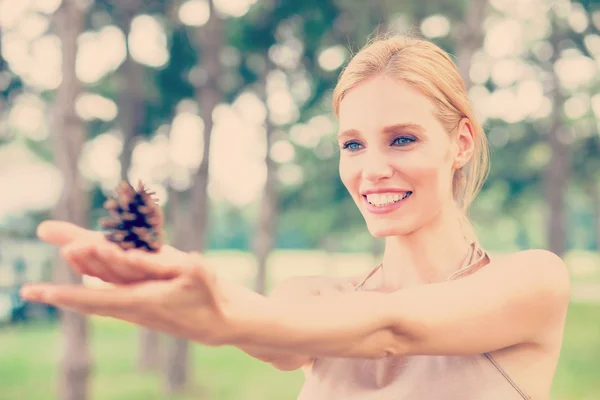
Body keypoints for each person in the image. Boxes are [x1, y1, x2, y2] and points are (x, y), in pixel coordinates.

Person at [20, 34, 570, 400]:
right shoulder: (311, 298)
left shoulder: (531, 283)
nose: (372, 169)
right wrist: (191, 288)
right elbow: (275, 336)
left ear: (462, 143)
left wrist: (226, 316)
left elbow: (392, 329)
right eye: (352, 145)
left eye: (401, 139)